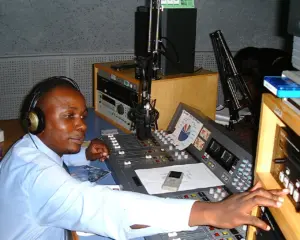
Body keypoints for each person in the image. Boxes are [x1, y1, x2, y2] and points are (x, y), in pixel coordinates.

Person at [0, 76, 289, 240]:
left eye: (82, 116)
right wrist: (210, 212)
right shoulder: (38, 177)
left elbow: (51, 159)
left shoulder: (24, 149)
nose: (82, 125)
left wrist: (83, 153)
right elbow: (106, 207)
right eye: (68, 117)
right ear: (35, 120)